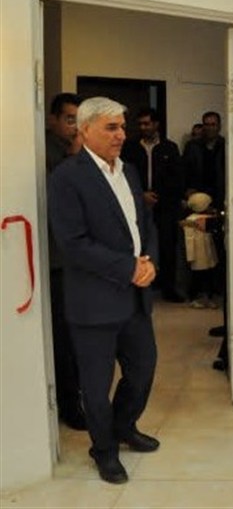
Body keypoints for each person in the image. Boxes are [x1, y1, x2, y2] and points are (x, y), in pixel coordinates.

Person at [48, 97, 160, 485]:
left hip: (135, 297)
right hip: (93, 301)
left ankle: (124, 426)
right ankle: (104, 450)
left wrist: (150, 262)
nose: (121, 135)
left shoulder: (129, 171)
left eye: (122, 127)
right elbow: (73, 243)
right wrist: (129, 268)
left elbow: (144, 223)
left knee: (143, 369)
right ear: (85, 129)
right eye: (111, 127)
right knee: (96, 385)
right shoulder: (67, 177)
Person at [45, 92, 86, 430]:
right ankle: (69, 404)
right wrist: (73, 157)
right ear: (53, 120)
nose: (75, 127)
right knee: (63, 335)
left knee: (79, 332)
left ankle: (78, 396)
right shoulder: (44, 151)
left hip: (79, 258)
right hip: (55, 259)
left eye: (79, 120)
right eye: (70, 119)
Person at [121, 107, 185, 302]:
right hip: (137, 204)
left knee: (167, 246)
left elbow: (177, 177)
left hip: (165, 205)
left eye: (147, 123)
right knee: (139, 245)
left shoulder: (169, 148)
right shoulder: (130, 148)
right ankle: (140, 287)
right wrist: (141, 195)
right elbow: (123, 175)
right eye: (140, 124)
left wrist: (160, 197)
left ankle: (168, 288)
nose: (143, 127)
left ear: (156, 124)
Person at [182, 111, 227, 367]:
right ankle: (199, 293)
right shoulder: (193, 148)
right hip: (198, 205)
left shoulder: (226, 146)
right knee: (198, 253)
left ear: (219, 126)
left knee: (219, 254)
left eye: (213, 124)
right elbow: (185, 173)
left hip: (220, 206)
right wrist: (189, 195)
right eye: (206, 124)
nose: (210, 128)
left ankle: (216, 294)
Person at [181, 192, 219, 308]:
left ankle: (208, 297)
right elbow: (189, 239)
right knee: (197, 277)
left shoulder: (209, 218)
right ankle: (195, 297)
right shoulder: (190, 220)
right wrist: (191, 256)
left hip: (208, 252)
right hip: (198, 254)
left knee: (208, 276)